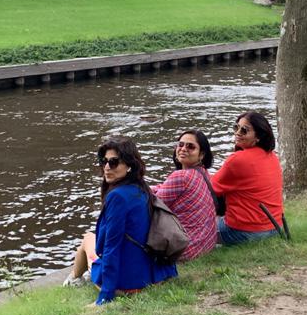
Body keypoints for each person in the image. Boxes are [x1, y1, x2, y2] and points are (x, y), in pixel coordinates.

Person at [65, 137, 177, 304]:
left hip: (128, 283)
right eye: (104, 162)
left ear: (129, 165)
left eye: (114, 162)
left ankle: (73, 280)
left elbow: (110, 248)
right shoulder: (142, 189)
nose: (107, 167)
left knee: (88, 238)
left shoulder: (117, 197)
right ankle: (76, 278)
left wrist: (105, 296)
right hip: (152, 273)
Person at [210, 111, 284, 245]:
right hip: (275, 228)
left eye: (244, 130)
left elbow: (210, 188)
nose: (238, 133)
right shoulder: (272, 156)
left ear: (258, 137)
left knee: (193, 228)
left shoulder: (237, 159)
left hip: (244, 233)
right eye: (236, 127)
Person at [152, 130, 217, 261]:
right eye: (180, 144)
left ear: (202, 154)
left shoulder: (181, 176)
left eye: (190, 146)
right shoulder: (202, 173)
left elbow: (151, 205)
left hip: (185, 249)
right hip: (205, 243)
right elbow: (164, 188)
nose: (183, 149)